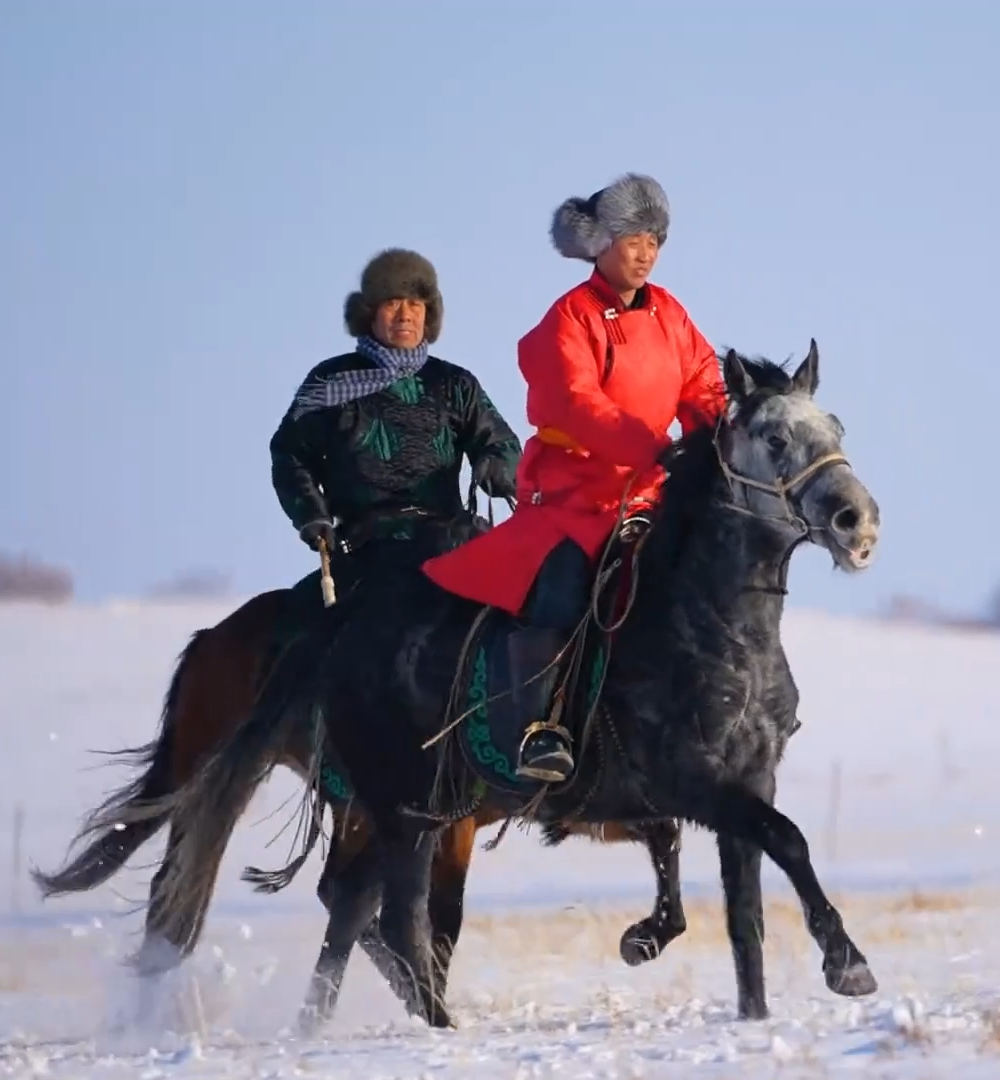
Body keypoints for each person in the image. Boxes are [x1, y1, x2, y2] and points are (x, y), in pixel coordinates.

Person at [422, 174, 727, 783]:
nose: (644, 254)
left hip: (650, 491)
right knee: (563, 584)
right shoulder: (569, 317)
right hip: (572, 494)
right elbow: (576, 402)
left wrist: (719, 441)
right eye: (633, 239)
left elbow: (702, 383)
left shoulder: (670, 313)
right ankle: (543, 728)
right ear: (600, 243)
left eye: (654, 242)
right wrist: (653, 447)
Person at [270, 248, 522, 635]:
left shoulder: (455, 383)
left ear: (429, 314)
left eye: (416, 303)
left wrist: (496, 467)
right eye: (392, 302)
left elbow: (500, 443)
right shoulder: (330, 382)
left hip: (447, 538)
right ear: (369, 312)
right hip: (366, 546)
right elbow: (290, 454)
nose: (405, 314)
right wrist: (311, 515)